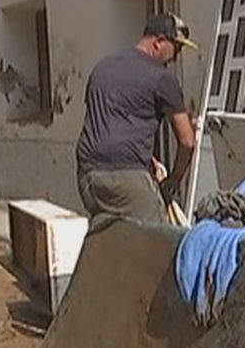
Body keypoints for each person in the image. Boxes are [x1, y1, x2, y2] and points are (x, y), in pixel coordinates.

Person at [75, 12, 198, 223]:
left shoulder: (103, 67)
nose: (176, 57)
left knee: (116, 236)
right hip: (124, 177)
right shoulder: (162, 78)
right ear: (159, 42)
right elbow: (187, 142)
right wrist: (174, 180)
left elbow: (112, 122)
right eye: (176, 48)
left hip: (88, 176)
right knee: (159, 240)